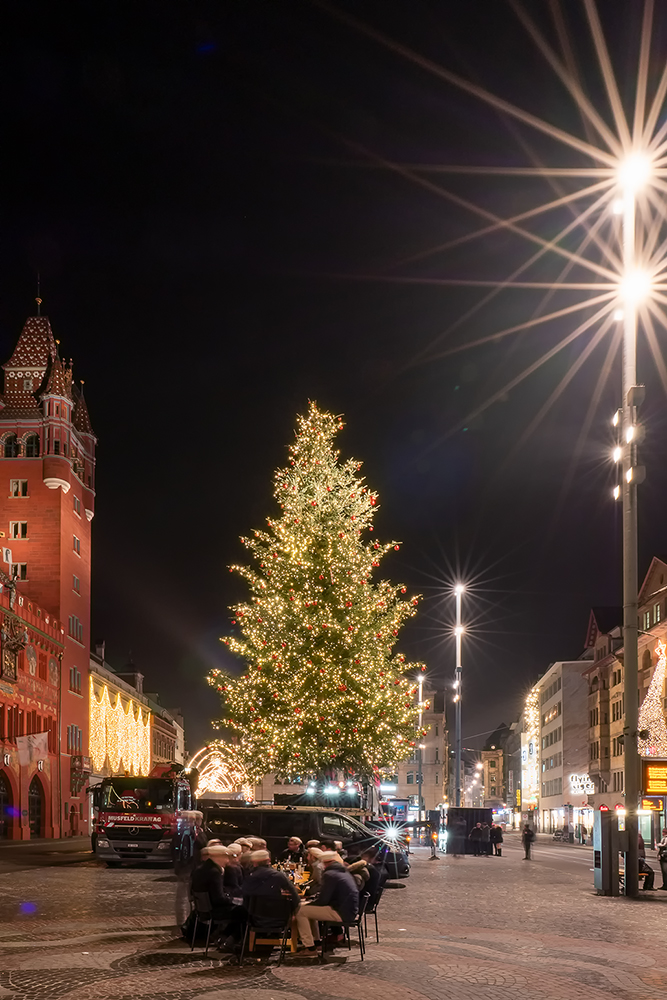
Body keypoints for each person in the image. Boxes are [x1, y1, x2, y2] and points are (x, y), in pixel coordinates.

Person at [295, 850, 359, 956]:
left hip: (340, 912)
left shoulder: (330, 874)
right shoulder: (342, 871)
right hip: (347, 910)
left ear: (325, 863)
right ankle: (316, 942)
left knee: (300, 911)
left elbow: (323, 900)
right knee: (306, 910)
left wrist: (309, 903)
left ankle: (310, 947)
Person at [190, 845, 235, 920]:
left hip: (201, 910)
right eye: (226, 857)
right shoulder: (214, 872)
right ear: (219, 857)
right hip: (214, 911)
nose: (227, 861)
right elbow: (218, 898)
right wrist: (233, 900)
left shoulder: (199, 869)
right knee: (244, 911)